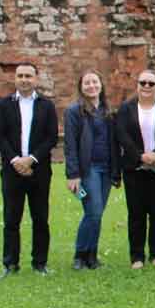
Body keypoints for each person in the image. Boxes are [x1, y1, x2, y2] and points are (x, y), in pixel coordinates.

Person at [0, 62, 59, 277]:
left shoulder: (46, 106)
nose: (24, 80)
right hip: (12, 170)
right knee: (11, 219)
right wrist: (16, 161)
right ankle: (10, 264)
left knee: (40, 219)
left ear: (36, 79)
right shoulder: (4, 105)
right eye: (20, 75)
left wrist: (30, 159)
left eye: (28, 76)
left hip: (39, 171)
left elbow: (51, 138)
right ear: (15, 79)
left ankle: (40, 263)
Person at [114, 69, 155, 269]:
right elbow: (122, 134)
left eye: (151, 83)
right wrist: (140, 156)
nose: (147, 86)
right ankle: (137, 256)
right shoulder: (126, 109)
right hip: (134, 168)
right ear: (137, 85)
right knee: (136, 213)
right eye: (143, 83)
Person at [63, 69, 120, 271]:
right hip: (88, 169)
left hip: (107, 168)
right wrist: (73, 175)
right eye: (87, 83)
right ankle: (80, 255)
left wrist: (117, 172)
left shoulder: (108, 111)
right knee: (93, 211)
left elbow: (115, 143)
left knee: (96, 213)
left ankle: (92, 257)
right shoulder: (74, 112)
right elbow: (70, 145)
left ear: (101, 85)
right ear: (81, 87)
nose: (91, 86)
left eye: (95, 82)